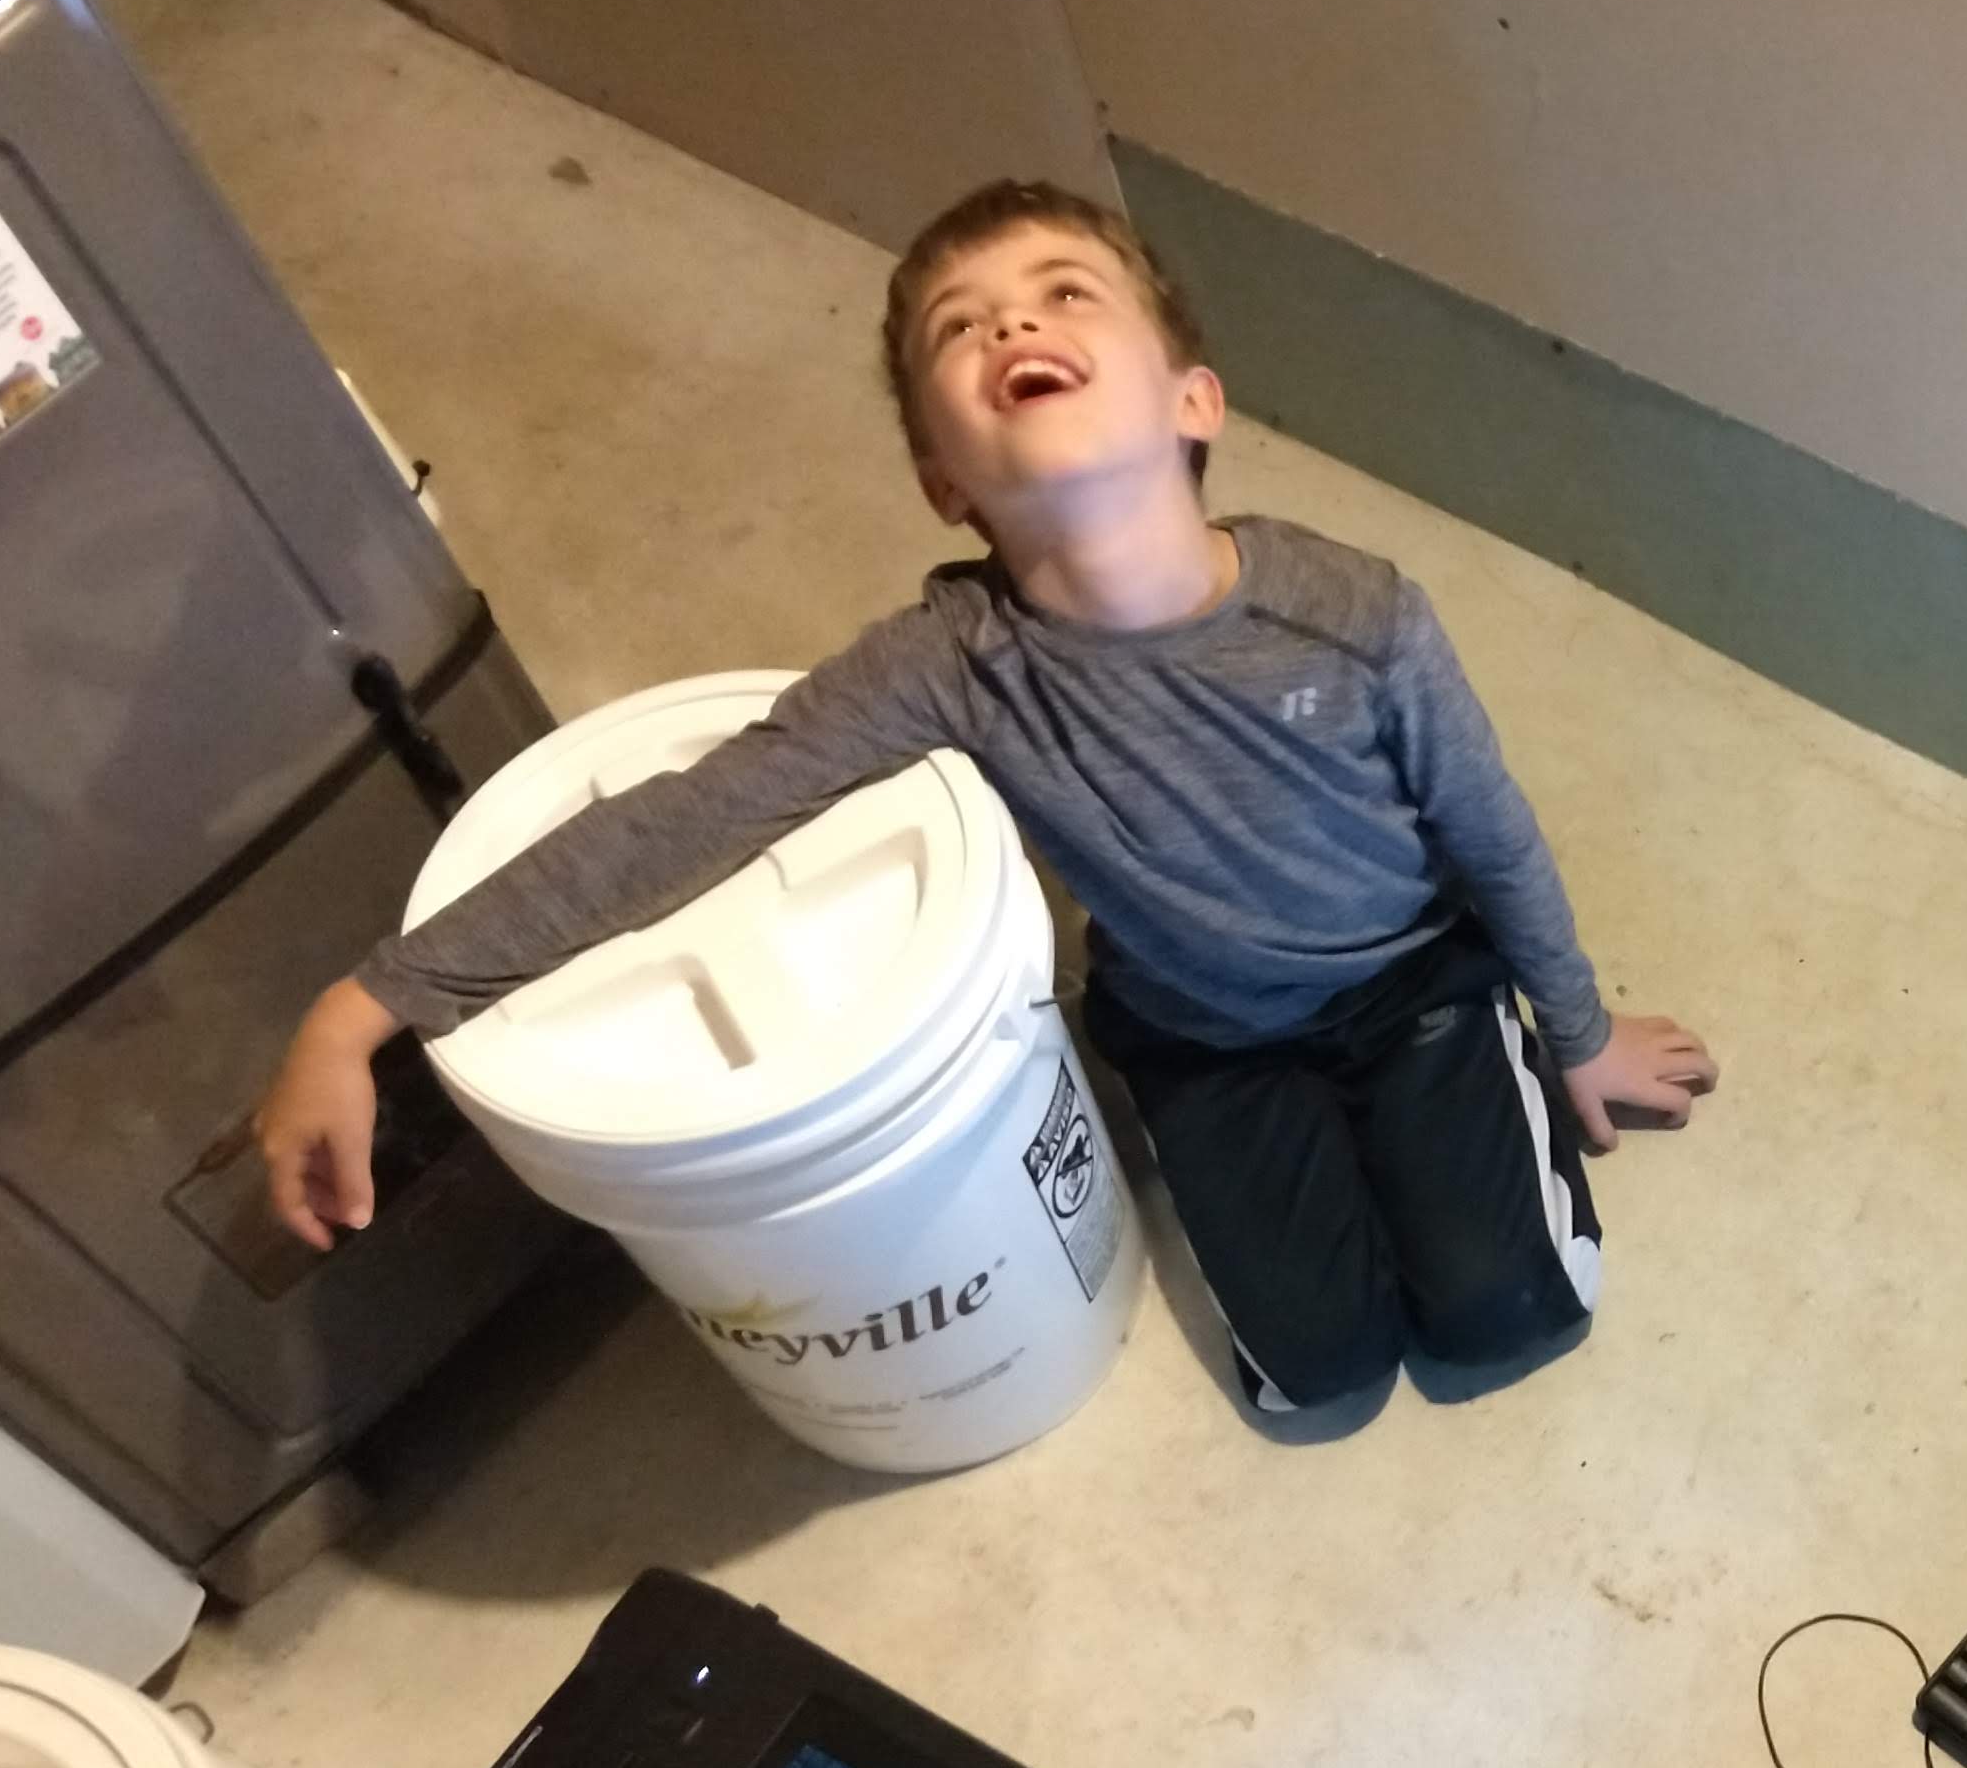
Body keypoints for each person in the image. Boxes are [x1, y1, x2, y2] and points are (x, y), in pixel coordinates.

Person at [254, 180, 1713, 1412]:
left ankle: (1489, 1086)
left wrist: (1576, 1031)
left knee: (1504, 1318)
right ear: (942, 479)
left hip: (1416, 979)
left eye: (1068, 294)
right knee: (1319, 1369)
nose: (1016, 322)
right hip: (1204, 1034)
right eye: (965, 327)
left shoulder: (1360, 614)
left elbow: (1487, 825)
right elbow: (687, 818)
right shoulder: (946, 666)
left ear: (1193, 399)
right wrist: (364, 1006)